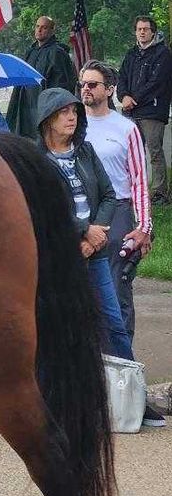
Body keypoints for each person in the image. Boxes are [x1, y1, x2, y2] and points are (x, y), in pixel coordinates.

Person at [35, 88, 165, 428]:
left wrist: (96, 234)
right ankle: (49, 404)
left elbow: (109, 195)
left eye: (74, 111)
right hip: (60, 259)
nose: (72, 117)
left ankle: (133, 398)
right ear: (47, 118)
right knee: (56, 328)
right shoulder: (36, 161)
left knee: (113, 324)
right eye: (64, 112)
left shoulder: (86, 151)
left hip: (95, 254)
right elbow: (42, 209)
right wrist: (83, 230)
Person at [80, 61, 153, 342]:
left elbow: (139, 181)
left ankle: (122, 355)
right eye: (82, 84)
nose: (85, 89)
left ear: (110, 90)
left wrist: (144, 227)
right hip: (81, 211)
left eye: (92, 84)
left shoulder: (126, 128)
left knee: (116, 286)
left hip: (117, 213)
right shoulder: (73, 125)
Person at [117, 16, 172, 205]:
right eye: (139, 29)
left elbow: (157, 83)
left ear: (153, 32)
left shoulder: (163, 54)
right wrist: (123, 96)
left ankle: (159, 194)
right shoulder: (131, 54)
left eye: (146, 29)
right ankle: (134, 189)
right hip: (130, 111)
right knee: (132, 153)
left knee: (154, 152)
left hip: (152, 111)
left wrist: (134, 99)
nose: (142, 32)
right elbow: (122, 78)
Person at [7, 16, 78, 138]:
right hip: (25, 108)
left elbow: (62, 86)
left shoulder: (57, 53)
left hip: (43, 109)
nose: (39, 30)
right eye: (37, 26)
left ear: (52, 30)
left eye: (44, 27)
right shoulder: (30, 52)